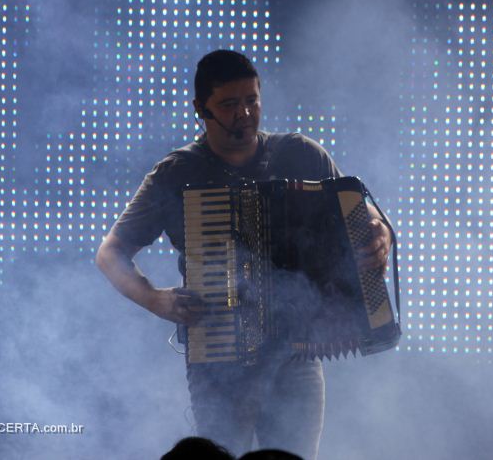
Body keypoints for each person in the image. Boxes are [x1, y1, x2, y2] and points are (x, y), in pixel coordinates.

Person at [95, 50, 392, 459]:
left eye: (251, 100)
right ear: (200, 108)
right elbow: (110, 253)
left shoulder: (301, 154)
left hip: (296, 355)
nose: (244, 114)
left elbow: (357, 207)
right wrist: (156, 299)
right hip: (219, 362)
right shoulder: (178, 173)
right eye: (229, 105)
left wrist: (378, 230)